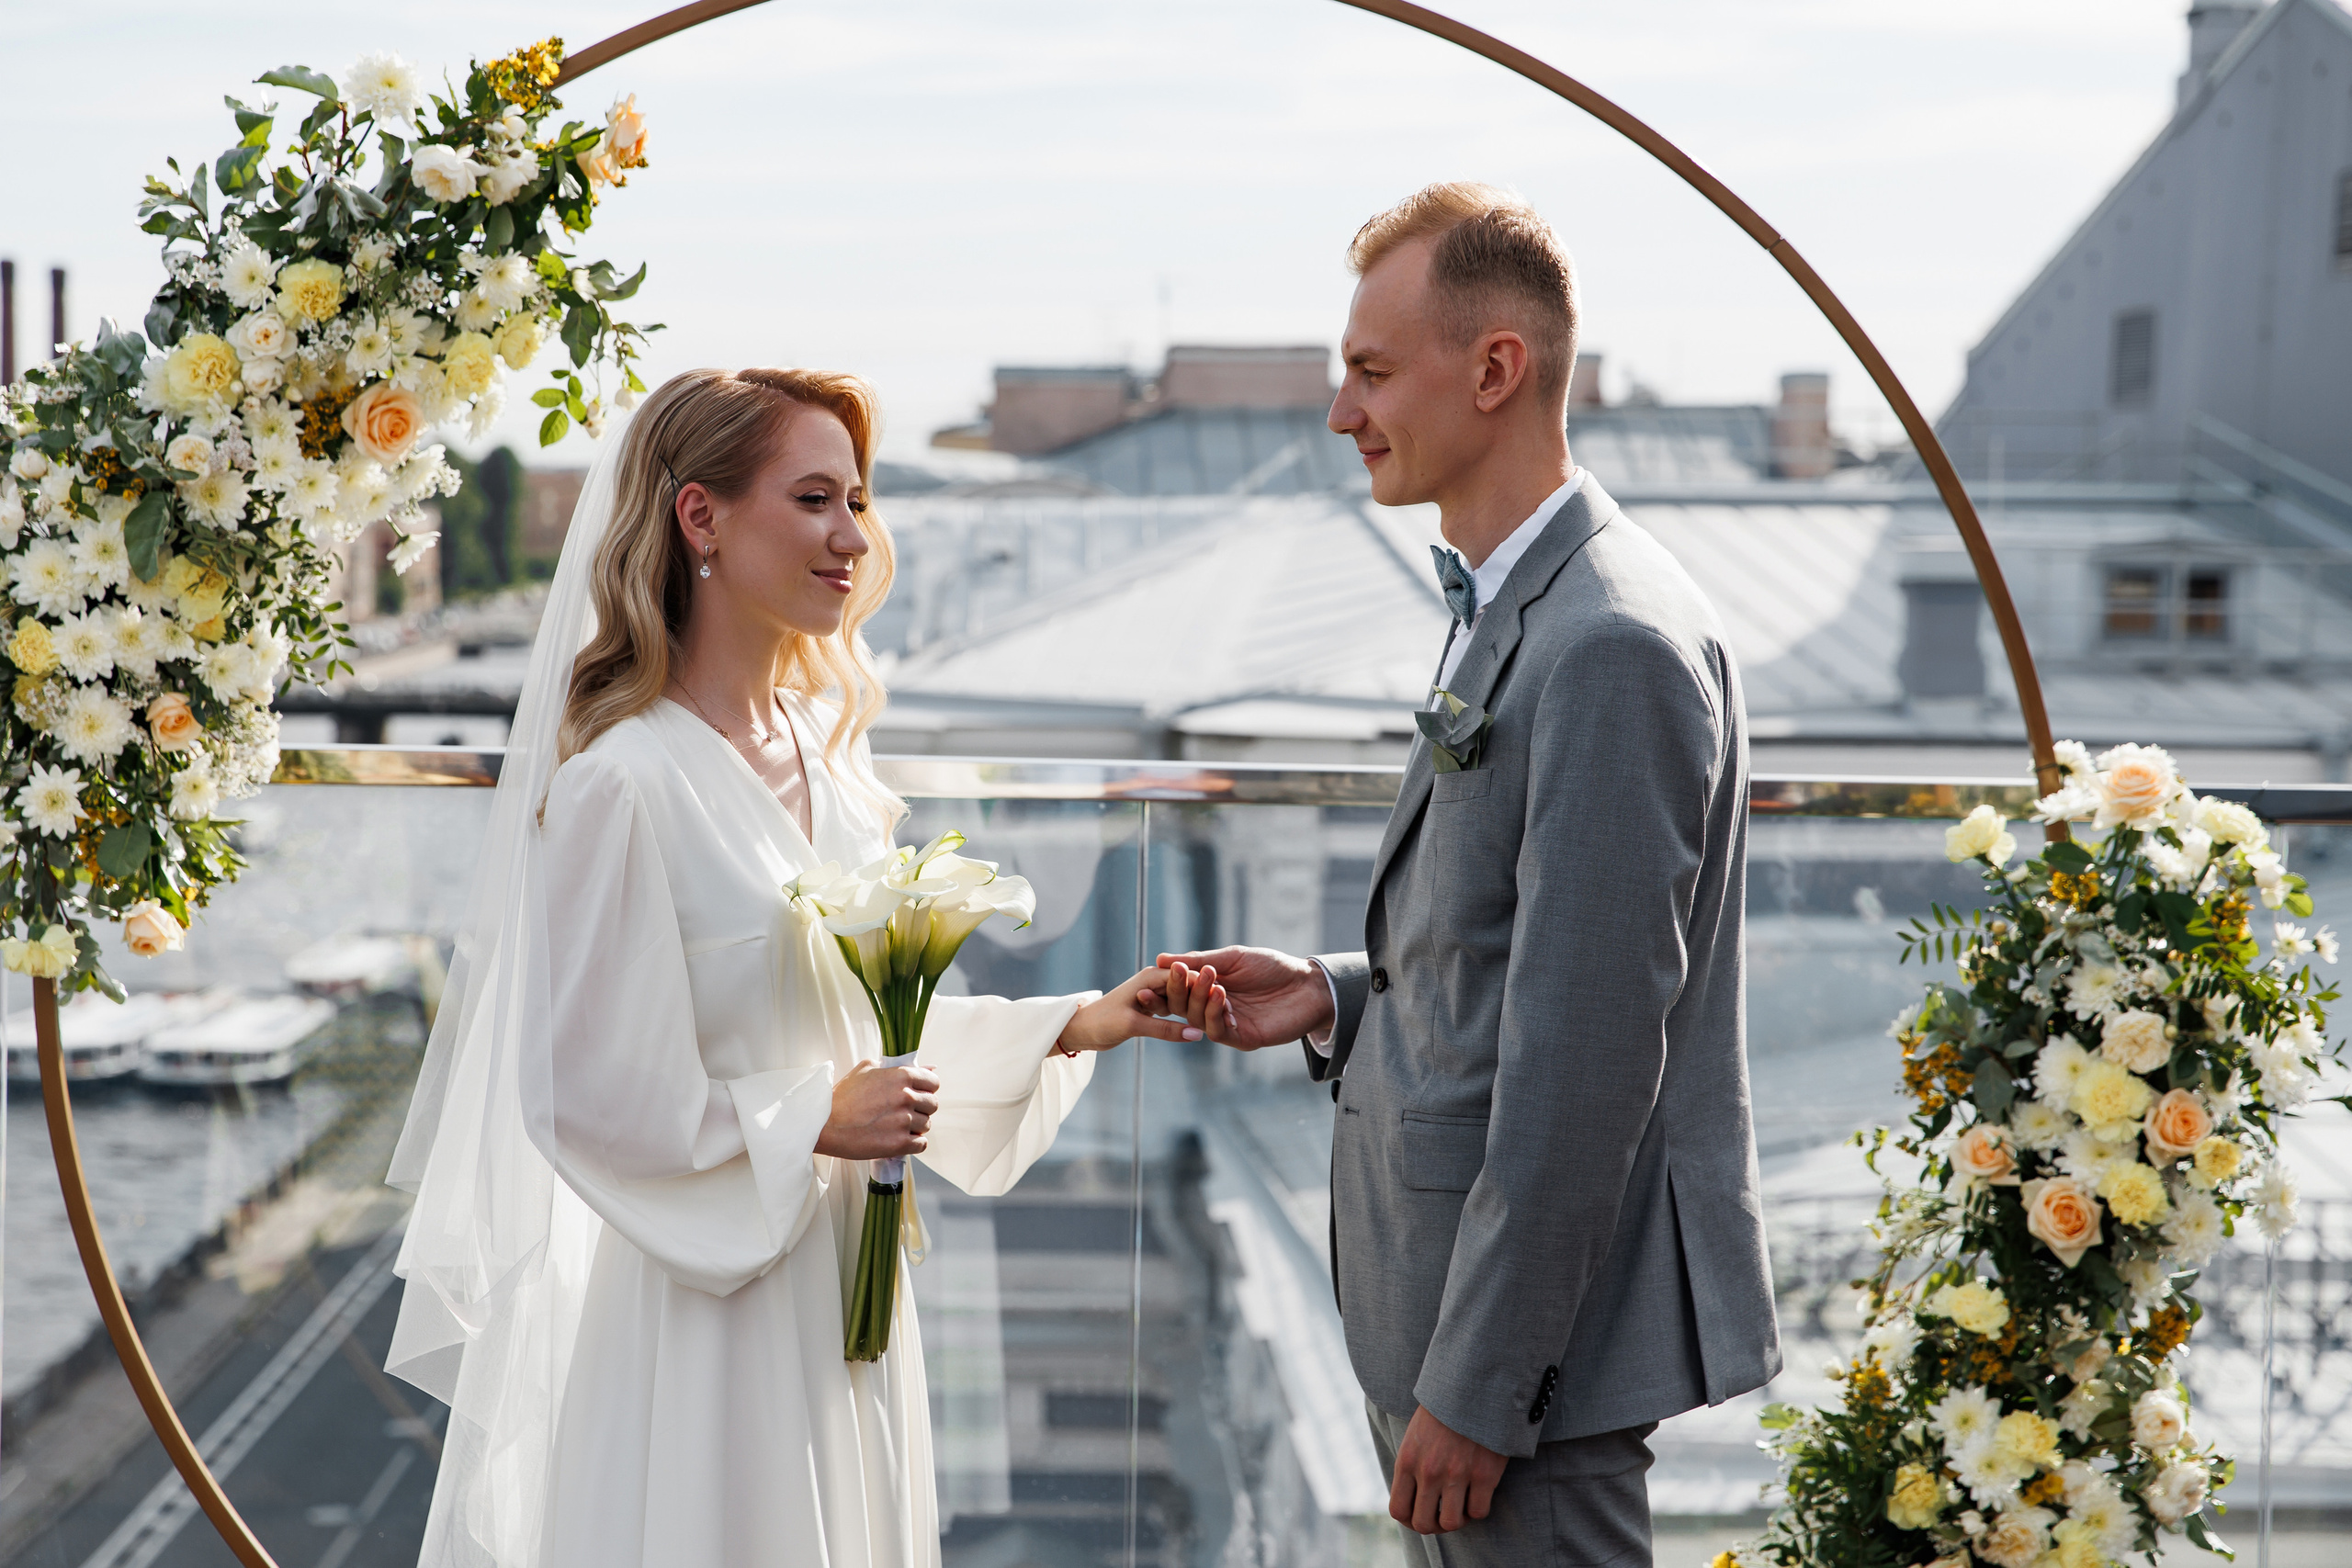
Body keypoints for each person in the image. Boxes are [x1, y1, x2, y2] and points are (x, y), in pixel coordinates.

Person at [384, 367, 1193, 1568]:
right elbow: (583, 1097)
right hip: (705, 1319)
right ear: (700, 518)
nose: (852, 537)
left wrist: (1082, 1022)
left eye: (857, 502)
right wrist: (812, 1116)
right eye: (814, 498)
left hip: (841, 1302)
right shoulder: (622, 786)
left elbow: (865, 1043)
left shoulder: (832, 759)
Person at [1155, 184, 1780, 1567]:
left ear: (1495, 368)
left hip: (1517, 1379)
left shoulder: (1611, 642)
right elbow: (1522, 954)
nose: (1342, 412)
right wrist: (1335, 995)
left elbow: (1591, 1056)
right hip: (1456, 1331)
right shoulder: (1522, 602)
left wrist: (1483, 1388)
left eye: (1371, 373)